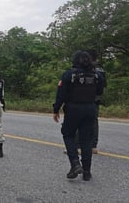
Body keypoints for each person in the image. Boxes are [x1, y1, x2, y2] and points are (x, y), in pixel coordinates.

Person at [53, 51, 104, 181]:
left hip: (73, 108)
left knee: (68, 135)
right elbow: (100, 91)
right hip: (90, 108)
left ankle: (75, 163)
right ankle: (87, 172)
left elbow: (61, 94)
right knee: (86, 139)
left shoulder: (69, 74)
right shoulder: (97, 75)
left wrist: (56, 109)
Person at [86, 49, 107, 154]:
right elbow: (103, 86)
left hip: (83, 99)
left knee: (78, 120)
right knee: (94, 121)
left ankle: (78, 146)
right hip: (96, 100)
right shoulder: (101, 69)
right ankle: (93, 146)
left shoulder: (86, 68)